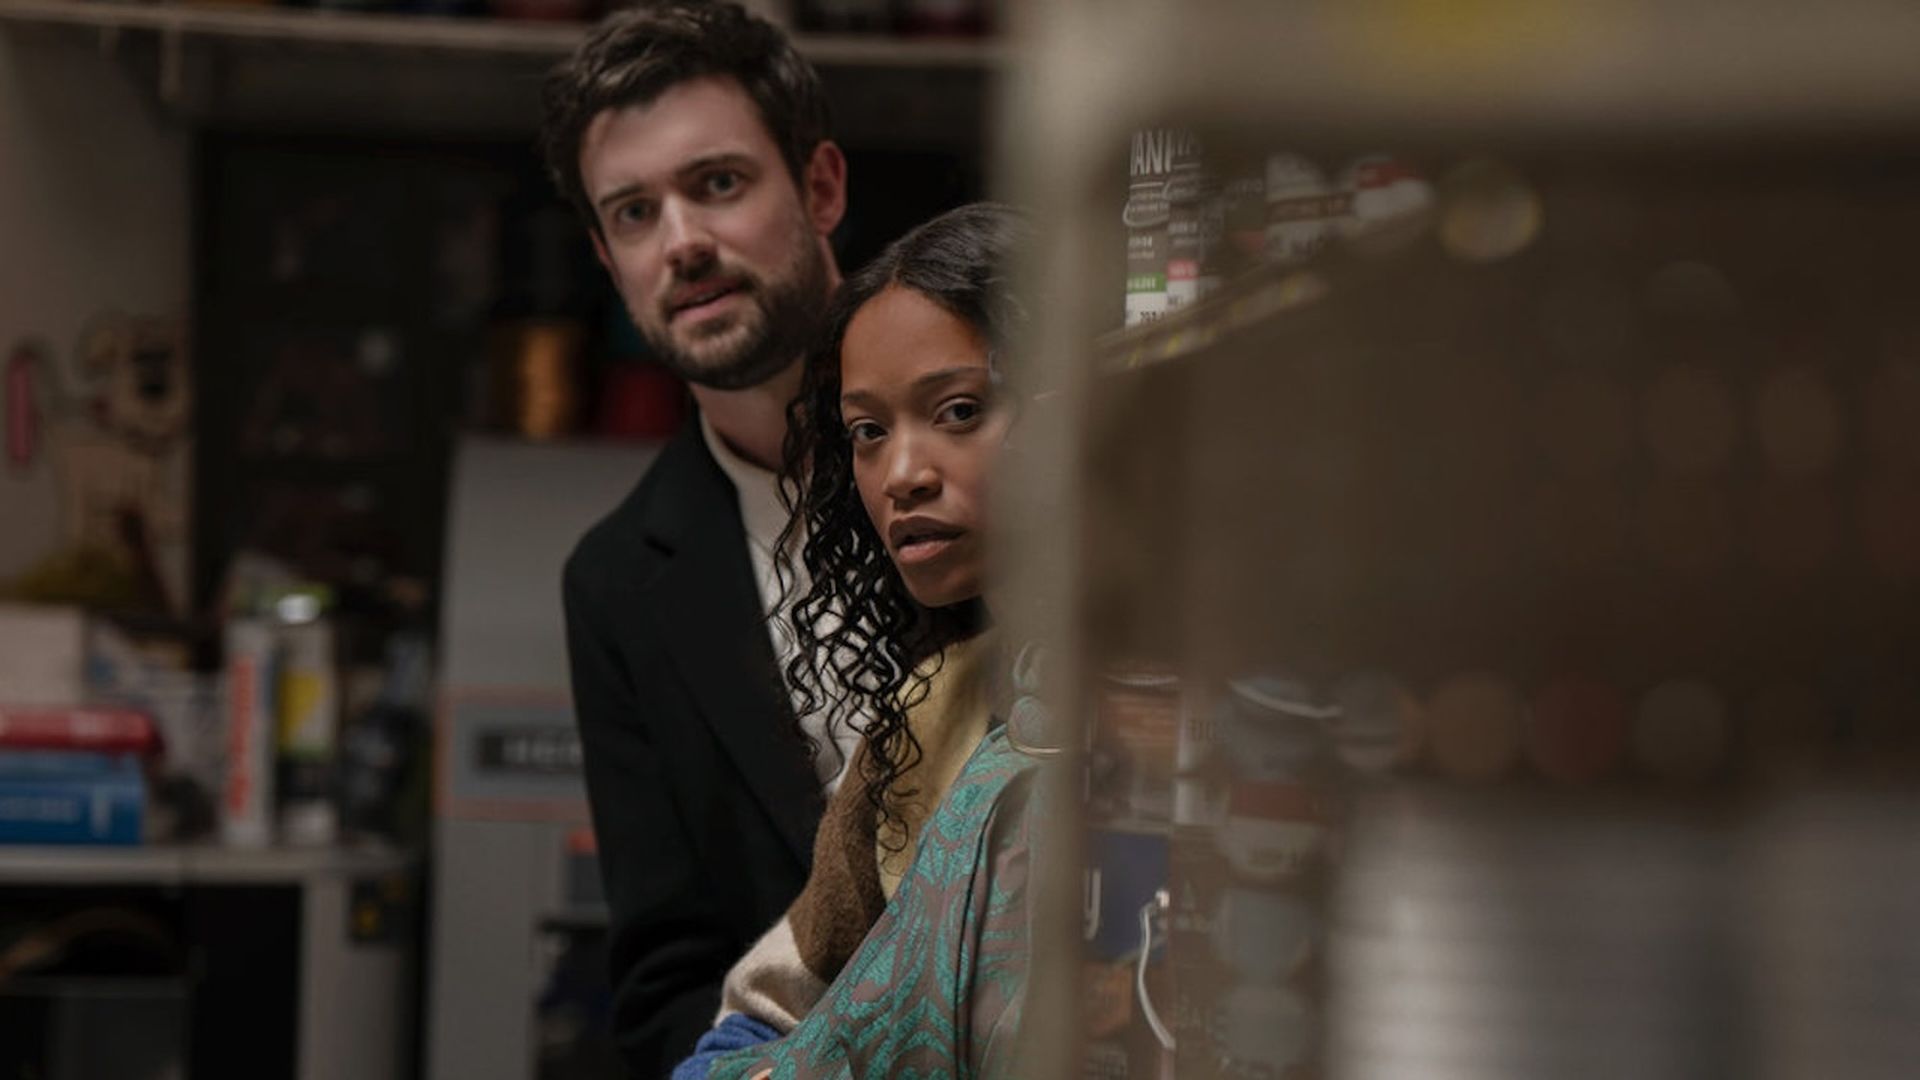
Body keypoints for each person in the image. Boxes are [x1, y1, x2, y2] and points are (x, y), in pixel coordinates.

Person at [541, 3, 855, 1073]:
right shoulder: (618, 583)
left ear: (820, 189)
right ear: (607, 256)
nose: (682, 242)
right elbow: (669, 973)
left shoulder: (1009, 445)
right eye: (635, 213)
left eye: (717, 183)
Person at [677, 203, 1044, 1079]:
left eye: (959, 410)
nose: (902, 474)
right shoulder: (923, 729)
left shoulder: (1210, 695)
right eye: (868, 433)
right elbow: (753, 1022)